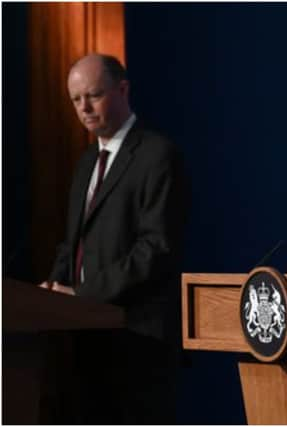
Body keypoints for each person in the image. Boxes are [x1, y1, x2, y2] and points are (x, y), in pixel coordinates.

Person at [39, 53, 187, 423]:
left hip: (138, 342)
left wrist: (82, 297)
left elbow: (155, 250)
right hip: (87, 341)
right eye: (75, 100)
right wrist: (51, 289)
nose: (84, 108)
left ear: (123, 90)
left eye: (94, 95)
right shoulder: (87, 161)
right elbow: (72, 243)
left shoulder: (157, 155)